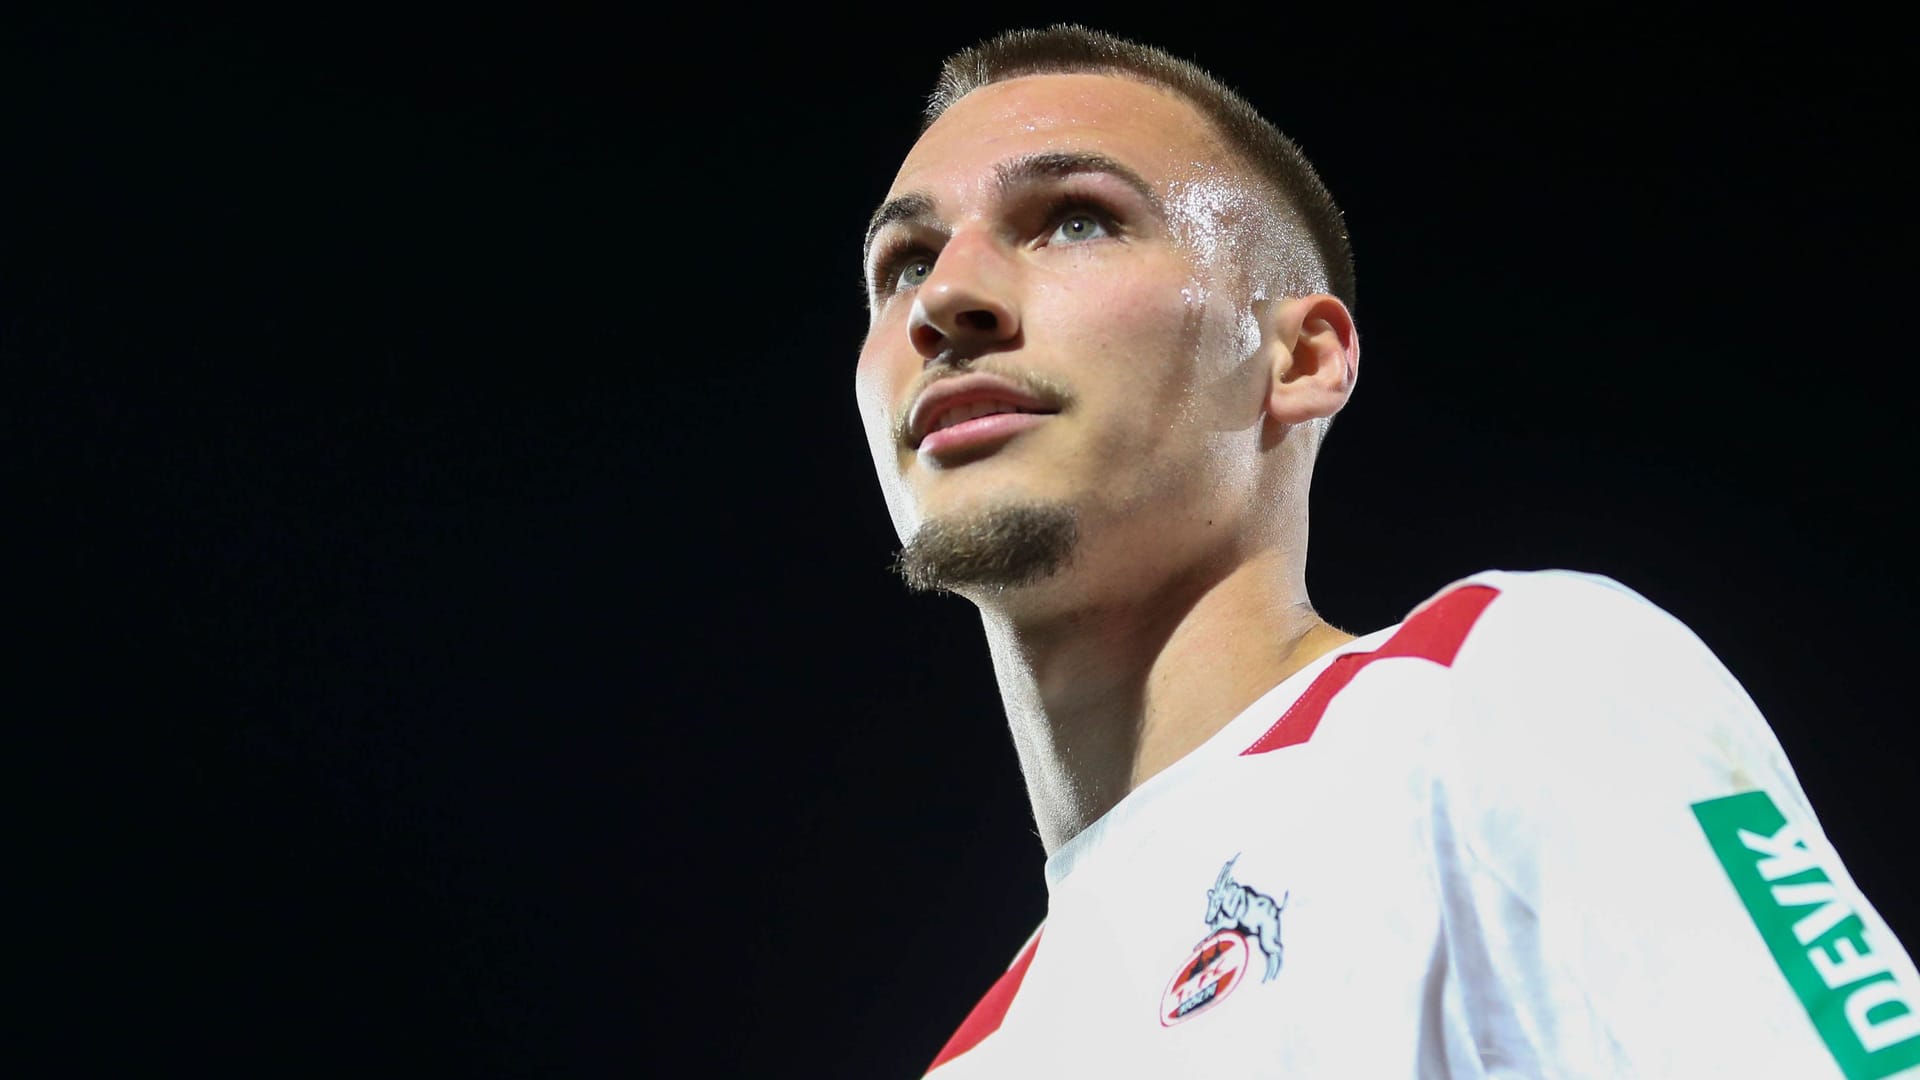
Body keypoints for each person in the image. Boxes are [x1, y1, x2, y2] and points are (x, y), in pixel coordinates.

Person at [852, 24, 1918, 1079]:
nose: (942, 301)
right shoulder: (978, 1058)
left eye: (1076, 220)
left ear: (1301, 359)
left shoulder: (1506, 691)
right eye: (905, 264)